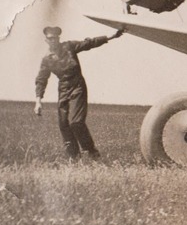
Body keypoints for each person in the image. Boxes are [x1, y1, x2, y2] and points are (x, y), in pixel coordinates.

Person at [33, 24, 125, 160]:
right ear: (46, 40)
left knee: (76, 122)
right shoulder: (47, 59)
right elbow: (41, 79)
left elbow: (88, 43)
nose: (53, 40)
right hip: (63, 88)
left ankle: (91, 151)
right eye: (50, 38)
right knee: (63, 123)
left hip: (77, 86)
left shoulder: (69, 47)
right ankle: (74, 157)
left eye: (55, 38)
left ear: (59, 38)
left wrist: (110, 36)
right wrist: (38, 101)